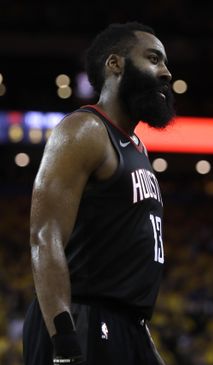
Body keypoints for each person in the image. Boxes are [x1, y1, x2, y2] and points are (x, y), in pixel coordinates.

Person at [23, 21, 175, 365]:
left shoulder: (136, 147)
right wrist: (64, 340)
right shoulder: (85, 129)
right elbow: (45, 237)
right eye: (154, 59)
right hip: (82, 318)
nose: (165, 73)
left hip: (125, 324)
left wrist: (141, 340)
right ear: (115, 64)